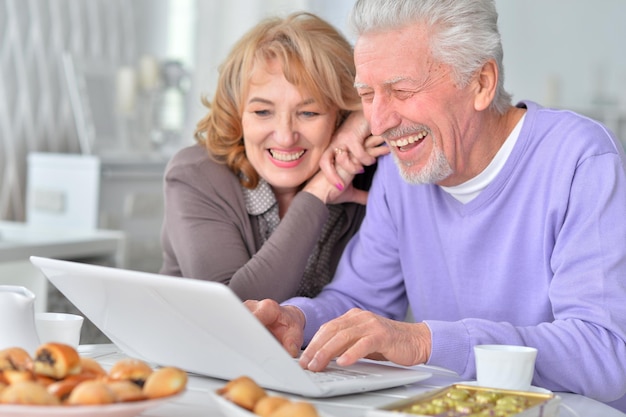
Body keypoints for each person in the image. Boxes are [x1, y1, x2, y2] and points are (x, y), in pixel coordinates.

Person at [246, 0, 626, 410]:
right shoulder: (400, 170)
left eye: (402, 91)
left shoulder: (579, 159)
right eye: (368, 95)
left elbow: (605, 353)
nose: (378, 122)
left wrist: (424, 341)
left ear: (481, 82)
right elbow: (360, 301)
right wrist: (299, 321)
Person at [159, 12, 387, 302]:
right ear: (237, 113)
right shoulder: (196, 175)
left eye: (308, 112)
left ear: (339, 115)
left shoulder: (370, 168)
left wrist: (361, 119)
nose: (285, 136)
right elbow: (239, 310)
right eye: (262, 112)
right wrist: (316, 194)